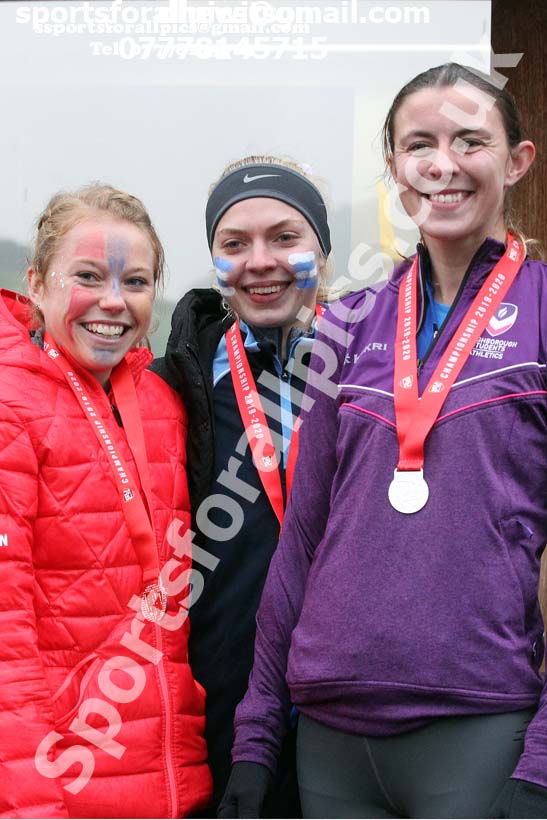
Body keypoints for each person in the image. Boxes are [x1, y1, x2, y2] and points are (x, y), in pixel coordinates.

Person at [219, 64, 547, 819]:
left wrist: (541, 759)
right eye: (418, 145)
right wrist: (255, 735)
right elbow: (301, 543)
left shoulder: (537, 313)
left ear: (517, 161)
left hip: (473, 723)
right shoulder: (348, 322)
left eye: (470, 141)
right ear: (395, 169)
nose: (442, 165)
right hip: (329, 734)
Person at [0, 184, 211, 818]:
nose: (113, 303)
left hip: (176, 781)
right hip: (65, 787)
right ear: (37, 284)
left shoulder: (163, 401)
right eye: (88, 277)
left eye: (137, 282)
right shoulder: (11, 406)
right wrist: (32, 801)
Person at [151, 156, 333, 816]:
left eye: (285, 237)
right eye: (234, 244)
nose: (260, 261)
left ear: (322, 247)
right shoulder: (172, 387)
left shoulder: (377, 376)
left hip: (356, 722)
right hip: (220, 721)